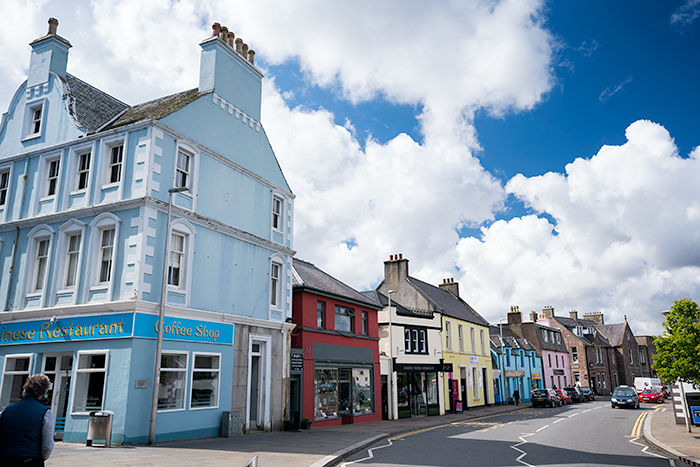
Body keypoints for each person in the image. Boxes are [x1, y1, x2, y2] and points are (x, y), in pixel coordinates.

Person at [0, 374, 55, 466]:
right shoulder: (45, 413)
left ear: (25, 389)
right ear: (44, 392)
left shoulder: (6, 411)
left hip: (5, 458)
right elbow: (48, 445)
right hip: (30, 459)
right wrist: (41, 458)